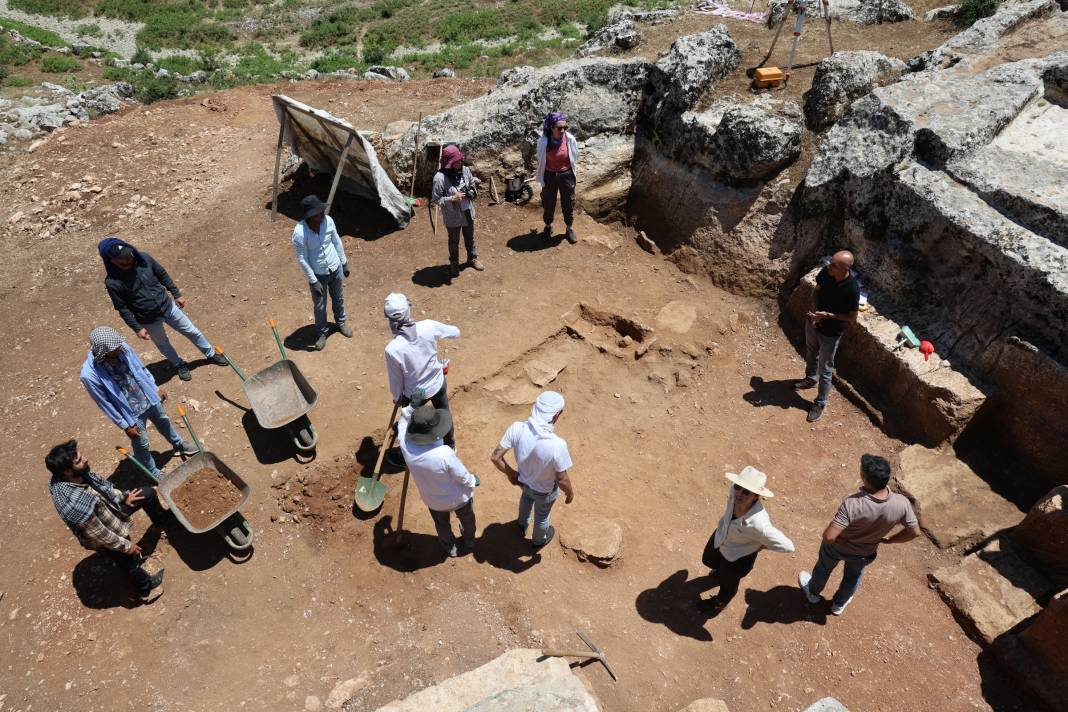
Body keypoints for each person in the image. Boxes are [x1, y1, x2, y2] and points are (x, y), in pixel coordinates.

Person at [798, 454, 921, 616]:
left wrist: (837, 539)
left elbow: (828, 537)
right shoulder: (901, 503)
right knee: (852, 577)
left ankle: (812, 593)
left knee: (823, 568)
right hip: (865, 553)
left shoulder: (853, 504)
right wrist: (891, 540)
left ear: (866, 479)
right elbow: (914, 532)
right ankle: (838, 605)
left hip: (836, 548)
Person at [46, 439, 167, 600]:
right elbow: (101, 534)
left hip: (108, 509)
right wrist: (126, 545)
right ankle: (145, 588)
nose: (85, 459)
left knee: (148, 494)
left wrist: (123, 497)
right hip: (104, 532)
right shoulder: (75, 505)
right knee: (128, 560)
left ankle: (161, 520)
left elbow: (102, 488)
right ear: (67, 471)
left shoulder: (76, 474)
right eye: (79, 460)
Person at [99, 237, 227, 382]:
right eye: (124, 262)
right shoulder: (112, 282)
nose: (129, 262)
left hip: (168, 306)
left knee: (192, 331)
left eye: (130, 257)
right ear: (111, 261)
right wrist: (137, 328)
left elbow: (162, 274)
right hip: (148, 319)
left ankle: (211, 354)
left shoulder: (144, 259)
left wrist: (176, 293)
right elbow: (122, 308)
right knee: (163, 344)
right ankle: (179, 364)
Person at [81, 326, 195, 479]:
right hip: (130, 412)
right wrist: (125, 425)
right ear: (104, 351)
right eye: (115, 348)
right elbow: (104, 403)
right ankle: (153, 472)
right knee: (141, 443)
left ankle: (179, 444)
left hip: (146, 396)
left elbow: (140, 368)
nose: (120, 349)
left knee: (163, 421)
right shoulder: (89, 375)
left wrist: (155, 388)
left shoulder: (122, 348)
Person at [699, 466, 794, 616]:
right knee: (708, 559)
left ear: (756, 496)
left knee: (727, 585)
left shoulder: (759, 524)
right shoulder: (733, 492)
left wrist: (761, 546)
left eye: (746, 492)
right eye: (738, 487)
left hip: (737, 558)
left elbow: (788, 546)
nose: (739, 493)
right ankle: (719, 572)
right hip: (721, 535)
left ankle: (719, 603)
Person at [490, 391, 574, 547]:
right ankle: (538, 541)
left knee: (526, 499)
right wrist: (570, 493)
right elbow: (562, 479)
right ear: (556, 415)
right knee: (542, 517)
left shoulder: (517, 428)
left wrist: (510, 473)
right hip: (544, 490)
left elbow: (495, 457)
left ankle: (521, 525)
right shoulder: (557, 445)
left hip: (523, 482)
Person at [397, 401, 479, 557]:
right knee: (468, 519)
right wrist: (473, 481)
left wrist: (410, 408)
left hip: (433, 501)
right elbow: (462, 476)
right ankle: (470, 539)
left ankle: (450, 547)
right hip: (458, 498)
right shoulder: (444, 454)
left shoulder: (406, 446)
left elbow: (401, 425)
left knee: (442, 524)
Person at [383, 292, 460, 449]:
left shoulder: (393, 349)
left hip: (414, 395)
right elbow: (455, 332)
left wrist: (397, 397)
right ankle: (450, 445)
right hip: (438, 383)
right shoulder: (428, 326)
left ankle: (411, 453)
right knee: (444, 413)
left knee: (413, 424)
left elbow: (396, 379)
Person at [795, 250, 860, 422]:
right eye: (831, 262)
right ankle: (810, 379)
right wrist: (816, 314)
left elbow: (852, 318)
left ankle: (820, 402)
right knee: (810, 354)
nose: (829, 266)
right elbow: (817, 291)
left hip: (830, 334)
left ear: (845, 269)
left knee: (825, 370)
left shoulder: (851, 289)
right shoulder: (827, 273)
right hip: (814, 324)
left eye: (834, 265)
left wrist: (828, 315)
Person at [292, 195, 351, 351]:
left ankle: (341, 322)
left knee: (338, 298)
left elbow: (336, 241)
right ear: (309, 216)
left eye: (321, 212)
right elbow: (302, 259)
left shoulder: (328, 221)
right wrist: (313, 280)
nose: (321, 216)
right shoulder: (299, 233)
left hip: (335, 268)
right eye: (317, 214)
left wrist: (344, 262)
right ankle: (321, 332)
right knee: (319, 306)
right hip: (318, 274)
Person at [431, 144, 484, 278]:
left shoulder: (465, 170)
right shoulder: (439, 178)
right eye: (456, 161)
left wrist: (472, 192)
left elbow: (471, 184)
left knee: (470, 236)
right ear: (449, 163)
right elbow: (436, 200)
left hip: (467, 210)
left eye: (460, 160)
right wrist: (452, 199)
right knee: (454, 240)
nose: (460, 163)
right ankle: (454, 262)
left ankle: (472, 257)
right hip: (453, 215)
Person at [535, 112, 579, 245]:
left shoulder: (570, 139)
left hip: (566, 175)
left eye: (565, 127)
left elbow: (574, 156)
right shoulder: (543, 142)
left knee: (568, 202)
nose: (563, 130)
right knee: (549, 202)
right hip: (549, 176)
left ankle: (569, 228)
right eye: (559, 128)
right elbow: (540, 157)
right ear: (551, 127)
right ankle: (548, 226)